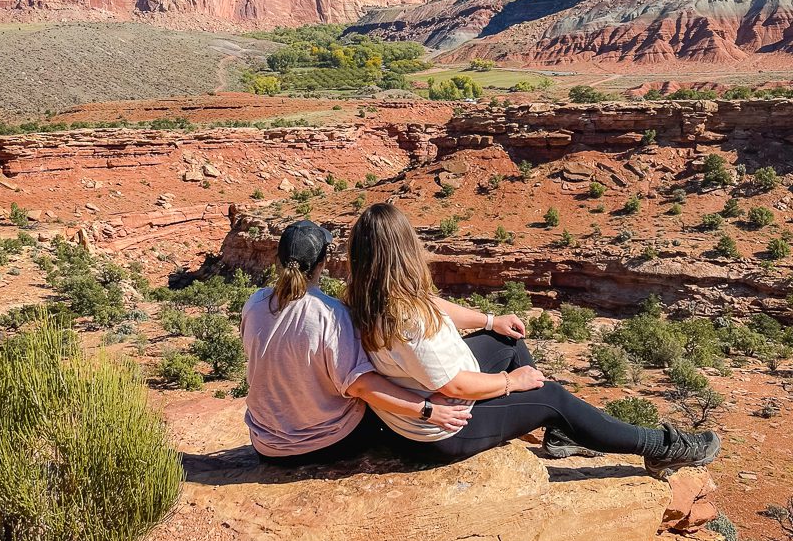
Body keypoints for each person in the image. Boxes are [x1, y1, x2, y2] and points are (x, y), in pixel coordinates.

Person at [344, 203, 721, 476]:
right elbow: (453, 383)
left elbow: (436, 305)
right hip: (443, 430)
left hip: (419, 413)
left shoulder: (371, 294)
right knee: (551, 395)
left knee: (507, 342)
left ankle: (559, 433)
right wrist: (512, 382)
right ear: (406, 250)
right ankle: (661, 447)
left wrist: (490, 320)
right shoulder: (407, 317)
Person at [240, 219, 472, 464]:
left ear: (279, 260)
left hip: (266, 446)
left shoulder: (255, 303)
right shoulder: (331, 314)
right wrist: (427, 409)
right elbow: (361, 385)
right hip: (326, 443)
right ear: (322, 263)